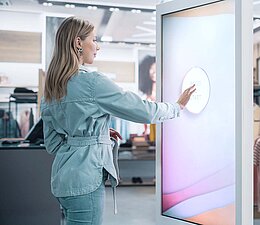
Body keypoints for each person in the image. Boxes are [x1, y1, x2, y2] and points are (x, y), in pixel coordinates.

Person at [41, 16, 195, 225]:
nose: (98, 47)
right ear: (78, 43)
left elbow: (53, 145)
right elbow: (144, 111)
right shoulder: (92, 83)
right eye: (94, 40)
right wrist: (178, 106)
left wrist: (97, 135)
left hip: (62, 180)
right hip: (86, 180)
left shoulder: (50, 89)